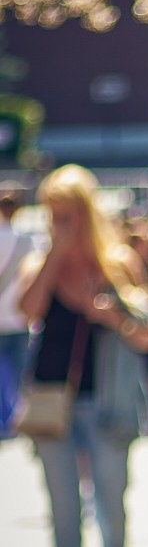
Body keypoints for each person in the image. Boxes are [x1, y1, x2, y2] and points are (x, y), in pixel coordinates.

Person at [16, 166, 148, 547]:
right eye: (54, 215)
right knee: (62, 510)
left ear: (88, 213)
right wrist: (56, 255)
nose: (62, 225)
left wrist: (112, 315)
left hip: (107, 404)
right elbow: (26, 310)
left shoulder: (116, 263)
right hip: (53, 404)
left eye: (70, 215)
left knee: (111, 502)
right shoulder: (42, 263)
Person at [0, 181, 35, 435]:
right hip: (20, 316)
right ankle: (19, 418)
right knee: (22, 373)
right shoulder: (26, 241)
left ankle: (5, 420)